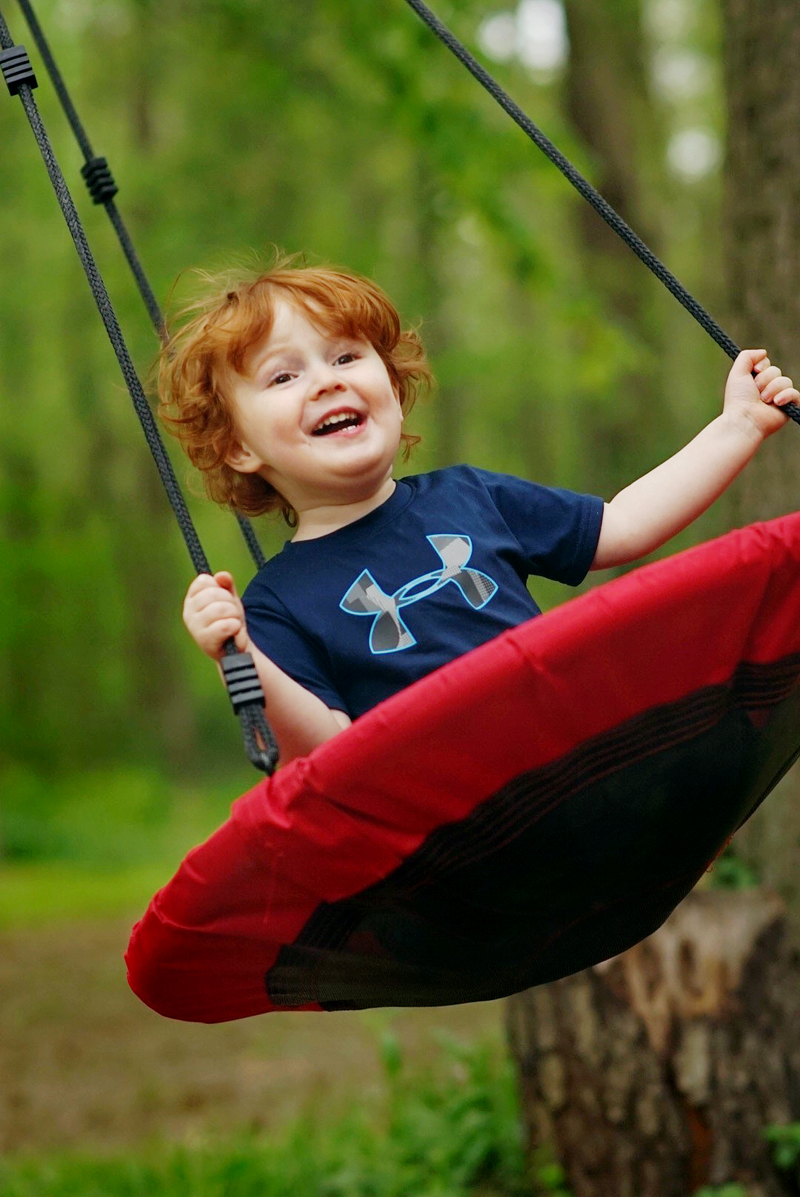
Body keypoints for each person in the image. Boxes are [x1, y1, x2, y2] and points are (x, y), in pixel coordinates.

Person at [159, 260, 797, 765]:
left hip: (574, 760)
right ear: (239, 447)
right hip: (454, 829)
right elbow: (326, 746)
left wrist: (737, 425)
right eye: (282, 377)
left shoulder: (470, 498)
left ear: (394, 388)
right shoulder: (276, 604)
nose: (327, 380)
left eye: (347, 356)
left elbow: (622, 524)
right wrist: (240, 657)